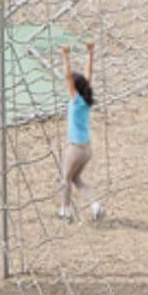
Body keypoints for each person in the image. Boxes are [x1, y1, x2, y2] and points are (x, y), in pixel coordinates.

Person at [57, 40, 101, 222]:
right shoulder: (85, 98)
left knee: (65, 179)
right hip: (87, 149)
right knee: (76, 179)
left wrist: (65, 55)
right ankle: (95, 204)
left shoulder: (75, 101)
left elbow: (67, 76)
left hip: (75, 149)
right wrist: (90, 52)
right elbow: (88, 74)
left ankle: (65, 211)